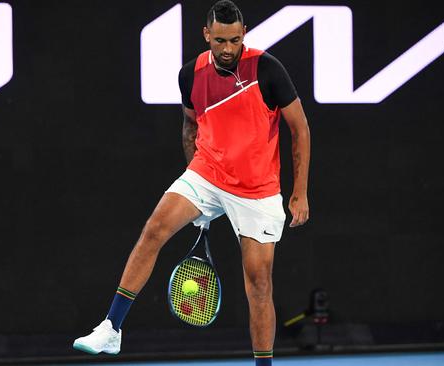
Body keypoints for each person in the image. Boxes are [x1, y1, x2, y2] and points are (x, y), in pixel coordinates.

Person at [73, 1, 310, 364]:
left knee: (259, 286)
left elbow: (300, 129)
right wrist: (197, 186)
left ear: (243, 34)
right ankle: (111, 328)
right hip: (206, 174)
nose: (228, 49)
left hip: (257, 190)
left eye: (234, 40)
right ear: (206, 35)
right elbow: (189, 125)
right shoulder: (191, 74)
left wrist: (299, 194)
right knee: (154, 229)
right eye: (219, 40)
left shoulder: (267, 69)